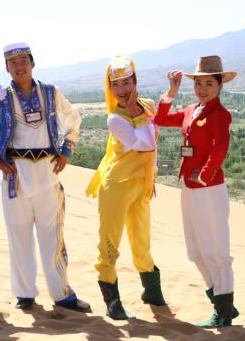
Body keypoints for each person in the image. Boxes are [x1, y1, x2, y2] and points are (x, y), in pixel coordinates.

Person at [0, 43, 90, 312]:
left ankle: (62, 294)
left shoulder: (51, 92)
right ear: (6, 68)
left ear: (33, 63)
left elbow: (73, 120)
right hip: (15, 177)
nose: (20, 67)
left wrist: (67, 150)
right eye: (14, 62)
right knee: (18, 237)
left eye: (24, 61)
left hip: (48, 172)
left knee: (53, 236)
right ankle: (24, 294)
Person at [154, 55, 238, 327]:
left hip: (209, 189)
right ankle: (222, 303)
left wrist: (204, 175)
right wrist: (172, 91)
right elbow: (160, 119)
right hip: (188, 187)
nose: (202, 89)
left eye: (209, 84)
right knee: (196, 251)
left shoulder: (220, 115)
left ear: (220, 86)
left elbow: (220, 148)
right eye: (198, 83)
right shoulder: (191, 110)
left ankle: (223, 312)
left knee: (216, 251)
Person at [85, 56, 167, 320]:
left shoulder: (149, 105)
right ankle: (112, 300)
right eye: (115, 84)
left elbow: (154, 143)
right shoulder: (115, 119)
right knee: (110, 242)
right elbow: (145, 144)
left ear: (135, 81)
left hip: (141, 186)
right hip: (117, 187)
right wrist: (138, 116)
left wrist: (152, 175)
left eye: (126, 82)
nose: (121, 90)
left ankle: (152, 292)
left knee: (142, 240)